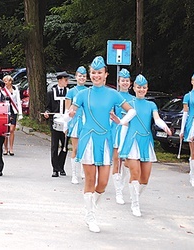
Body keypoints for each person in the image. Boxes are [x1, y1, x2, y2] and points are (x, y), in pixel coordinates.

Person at [68, 56, 136, 233]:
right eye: (93, 72)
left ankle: (91, 208)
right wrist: (69, 114)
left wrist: (121, 122)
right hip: (88, 139)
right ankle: (90, 216)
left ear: (105, 74)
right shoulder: (83, 94)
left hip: (105, 140)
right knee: (90, 180)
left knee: (103, 182)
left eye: (99, 72)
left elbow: (132, 111)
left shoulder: (113, 94)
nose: (96, 75)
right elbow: (72, 112)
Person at [115, 74, 171, 217]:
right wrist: (121, 146)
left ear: (147, 89)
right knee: (135, 173)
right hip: (131, 141)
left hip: (146, 142)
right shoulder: (129, 103)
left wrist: (165, 127)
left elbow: (157, 119)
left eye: (144, 87)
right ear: (134, 88)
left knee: (144, 179)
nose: (141, 90)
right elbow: (125, 124)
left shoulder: (151, 104)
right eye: (138, 87)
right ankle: (135, 205)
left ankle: (135, 197)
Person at [111, 68, 134, 204]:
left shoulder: (133, 98)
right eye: (122, 80)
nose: (125, 83)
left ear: (130, 83)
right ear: (118, 82)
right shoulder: (114, 97)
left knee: (126, 163)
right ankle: (118, 192)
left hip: (129, 131)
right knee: (117, 161)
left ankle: (122, 185)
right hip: (116, 130)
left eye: (127, 80)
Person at [64, 66, 88, 184]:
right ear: (76, 77)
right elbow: (67, 109)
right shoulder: (71, 91)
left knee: (85, 148)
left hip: (86, 122)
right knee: (76, 148)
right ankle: (74, 174)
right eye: (80, 76)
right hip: (75, 123)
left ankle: (83, 171)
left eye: (84, 76)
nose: (82, 78)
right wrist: (66, 125)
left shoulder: (88, 91)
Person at [44, 72, 70, 177]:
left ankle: (61, 166)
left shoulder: (69, 92)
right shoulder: (51, 93)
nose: (67, 82)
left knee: (64, 146)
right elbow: (48, 107)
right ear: (59, 80)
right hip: (55, 121)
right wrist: (46, 112)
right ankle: (55, 168)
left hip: (66, 122)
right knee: (54, 146)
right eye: (65, 80)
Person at [180, 70, 194, 188]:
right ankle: (192, 176)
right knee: (193, 152)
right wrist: (182, 130)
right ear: (191, 81)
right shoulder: (187, 96)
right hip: (191, 124)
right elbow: (185, 113)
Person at [2, 75, 23, 156]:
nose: (5, 82)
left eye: (6, 81)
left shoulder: (15, 90)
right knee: (5, 130)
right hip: (5, 111)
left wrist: (20, 113)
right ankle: (5, 148)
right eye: (4, 81)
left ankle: (11, 148)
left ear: (10, 81)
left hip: (13, 110)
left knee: (11, 130)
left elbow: (18, 101)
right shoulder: (2, 90)